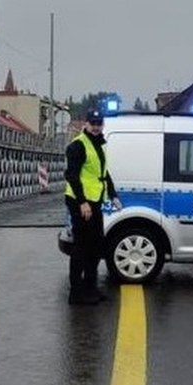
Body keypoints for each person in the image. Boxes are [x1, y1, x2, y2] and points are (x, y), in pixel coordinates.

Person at [64, 109, 121, 305]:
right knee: (81, 247)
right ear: (85, 124)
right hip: (80, 202)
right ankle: (76, 292)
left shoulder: (99, 144)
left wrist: (113, 195)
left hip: (95, 200)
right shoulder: (78, 145)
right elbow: (71, 175)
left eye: (99, 123)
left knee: (96, 245)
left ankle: (91, 287)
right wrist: (82, 202)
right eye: (93, 123)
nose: (96, 127)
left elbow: (103, 173)